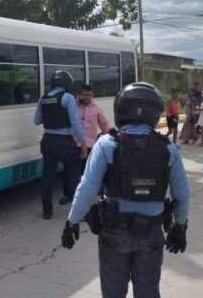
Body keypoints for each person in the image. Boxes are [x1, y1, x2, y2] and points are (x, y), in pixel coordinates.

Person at [61, 82, 191, 298]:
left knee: (113, 292)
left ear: (120, 109)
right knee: (148, 291)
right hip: (151, 233)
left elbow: (87, 188)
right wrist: (180, 225)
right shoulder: (168, 148)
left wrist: (71, 222)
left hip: (114, 232)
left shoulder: (106, 144)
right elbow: (182, 193)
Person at [34, 70, 88, 219]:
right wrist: (83, 142)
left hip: (47, 140)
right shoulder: (68, 98)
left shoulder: (43, 98)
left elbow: (37, 120)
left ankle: (47, 211)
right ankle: (80, 211)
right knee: (74, 175)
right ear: (67, 83)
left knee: (48, 176)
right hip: (64, 142)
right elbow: (75, 122)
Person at [74, 84, 110, 184]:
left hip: (90, 145)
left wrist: (111, 135)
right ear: (80, 95)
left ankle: (88, 191)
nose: (87, 97)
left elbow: (103, 124)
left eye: (89, 95)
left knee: (88, 170)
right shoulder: (74, 107)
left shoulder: (97, 109)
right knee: (72, 171)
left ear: (92, 95)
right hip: (75, 144)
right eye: (85, 94)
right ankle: (69, 194)